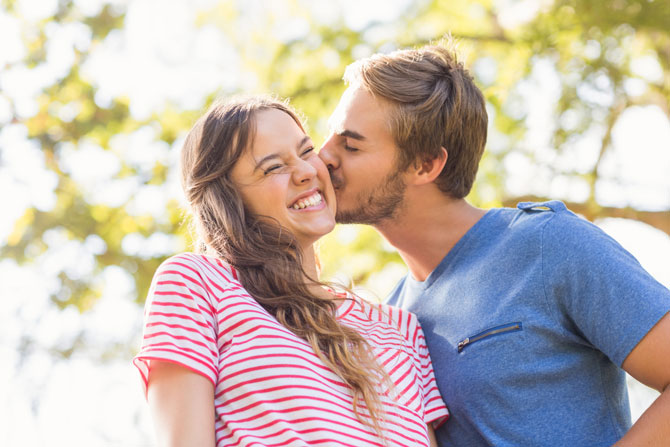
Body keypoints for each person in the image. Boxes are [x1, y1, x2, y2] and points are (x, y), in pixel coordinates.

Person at [318, 42, 670, 446]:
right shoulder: (390, 319)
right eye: (330, 137)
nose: (321, 155)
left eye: (351, 144)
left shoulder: (547, 245)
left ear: (426, 164)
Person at [133, 95, 449, 447]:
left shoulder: (401, 329)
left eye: (306, 150)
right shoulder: (197, 284)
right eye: (273, 168)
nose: (306, 171)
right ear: (229, 200)